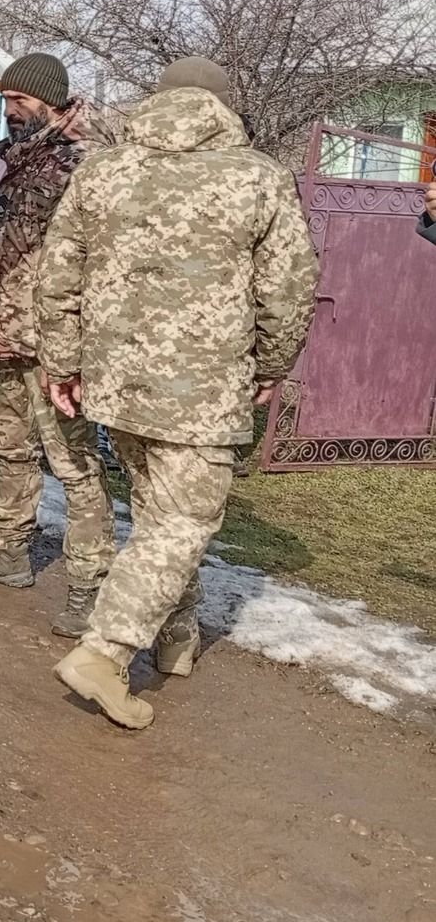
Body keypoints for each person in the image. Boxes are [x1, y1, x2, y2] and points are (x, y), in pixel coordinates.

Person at [36, 56, 317, 730]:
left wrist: (62, 363)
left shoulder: (103, 170)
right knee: (180, 523)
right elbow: (289, 288)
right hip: (204, 389)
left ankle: (178, 637)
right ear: (224, 107)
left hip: (117, 382)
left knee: (159, 517)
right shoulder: (259, 177)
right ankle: (104, 653)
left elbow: (58, 273)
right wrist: (270, 367)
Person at [0, 54, 116, 635]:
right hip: (12, 334)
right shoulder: (28, 157)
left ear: (51, 99)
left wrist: (73, 349)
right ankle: (8, 552)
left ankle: (90, 583)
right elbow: (11, 249)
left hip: (57, 345)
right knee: (11, 446)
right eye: (5, 100)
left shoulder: (83, 163)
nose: (9, 111)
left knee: (74, 461)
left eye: (19, 100)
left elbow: (95, 265)